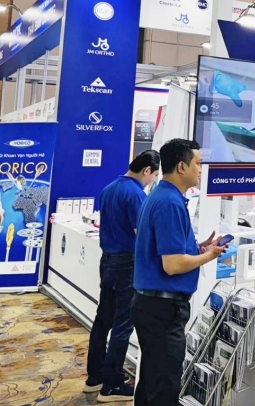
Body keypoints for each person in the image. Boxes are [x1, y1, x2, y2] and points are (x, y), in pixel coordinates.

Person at [132, 139, 227, 406]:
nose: (201, 169)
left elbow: (166, 250)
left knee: (152, 379)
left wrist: (198, 248)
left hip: (153, 306)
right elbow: (172, 265)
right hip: (162, 309)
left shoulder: (162, 196)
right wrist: (209, 256)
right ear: (182, 166)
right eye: (198, 163)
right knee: (164, 385)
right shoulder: (169, 203)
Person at [84, 151, 160, 402]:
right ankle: (112, 384)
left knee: (103, 319)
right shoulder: (135, 194)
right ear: (147, 170)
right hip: (126, 264)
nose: (152, 181)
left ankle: (94, 377)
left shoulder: (109, 188)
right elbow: (143, 233)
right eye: (154, 175)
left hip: (107, 260)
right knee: (123, 324)